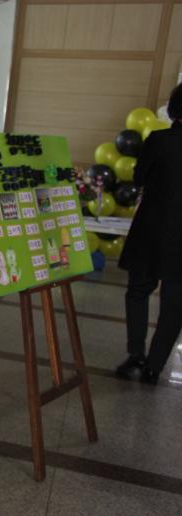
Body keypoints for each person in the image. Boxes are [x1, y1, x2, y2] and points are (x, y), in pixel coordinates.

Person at [116, 84, 182, 384]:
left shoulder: (158, 140)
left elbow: (139, 178)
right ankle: (154, 367)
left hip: (150, 229)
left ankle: (135, 355)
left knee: (138, 291)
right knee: (174, 303)